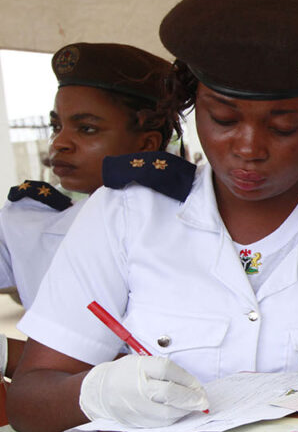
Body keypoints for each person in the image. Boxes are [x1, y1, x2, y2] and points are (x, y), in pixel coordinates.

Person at [8, 0, 298, 432]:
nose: (249, 148)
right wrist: (93, 394)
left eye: (283, 126)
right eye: (224, 120)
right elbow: (30, 404)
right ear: (194, 108)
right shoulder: (127, 215)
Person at [0, 42, 174, 379]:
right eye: (57, 126)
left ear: (147, 144)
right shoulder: (29, 223)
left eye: (87, 129)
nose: (59, 143)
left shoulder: (198, 224)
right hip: (65, 424)